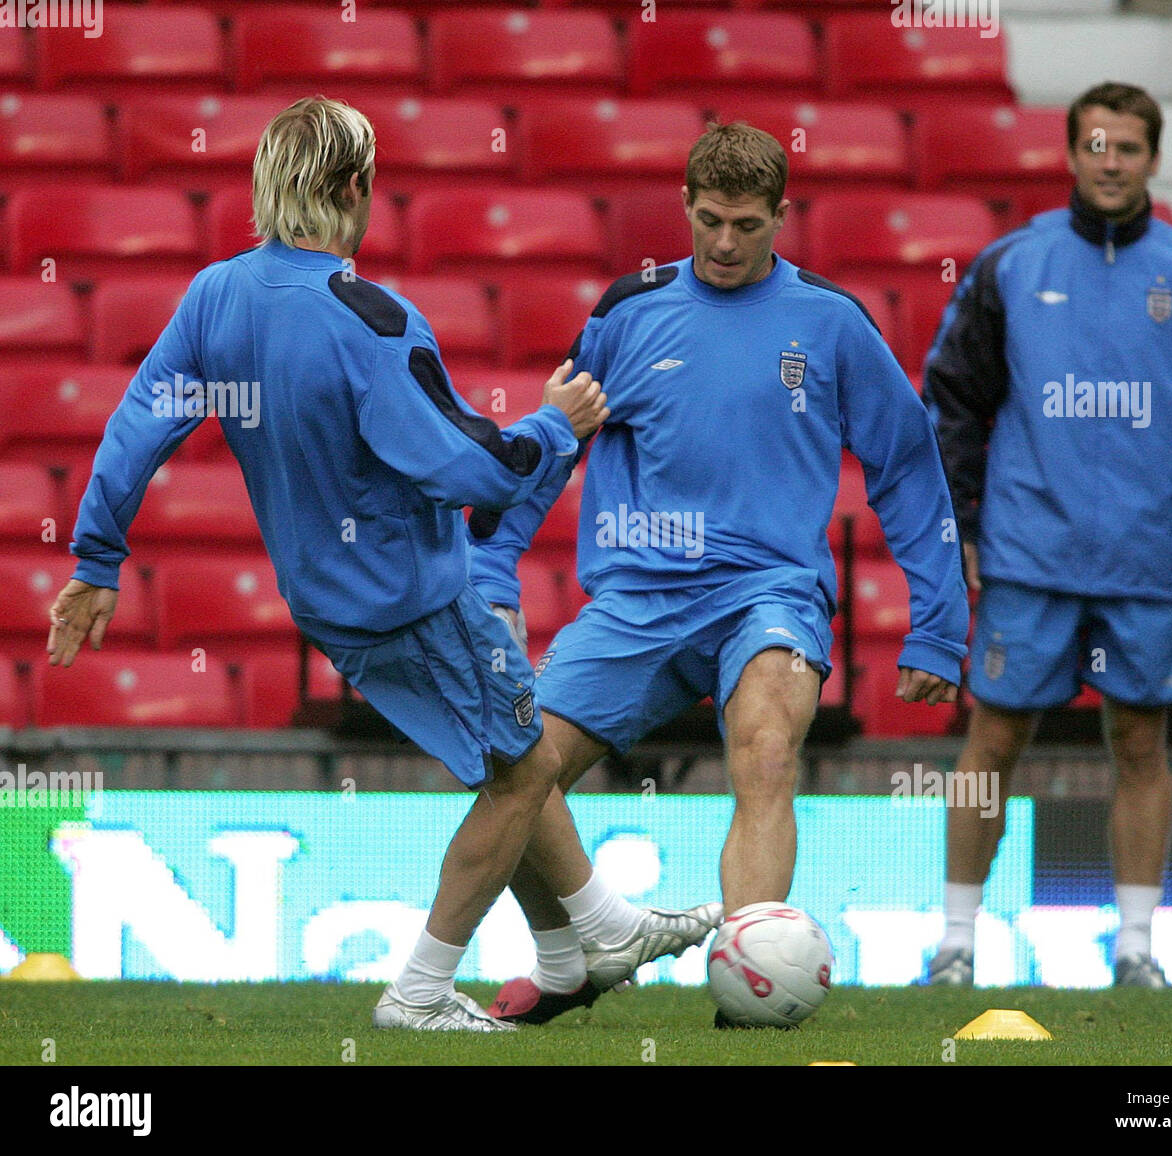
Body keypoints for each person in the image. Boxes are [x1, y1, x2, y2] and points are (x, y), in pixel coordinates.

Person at [44, 96, 719, 1032]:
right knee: (522, 777)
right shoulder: (370, 320)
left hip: (324, 600)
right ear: (357, 187)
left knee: (509, 751)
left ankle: (595, 935)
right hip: (412, 595)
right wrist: (554, 431)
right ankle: (421, 991)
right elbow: (470, 470)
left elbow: (135, 430)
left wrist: (96, 556)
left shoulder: (215, 294)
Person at [468, 122, 970, 1026]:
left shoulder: (831, 324)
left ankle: (747, 996)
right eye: (709, 221)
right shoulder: (627, 313)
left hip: (770, 592)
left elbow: (908, 466)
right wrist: (492, 562)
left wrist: (938, 623)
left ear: (782, 215)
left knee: (769, 748)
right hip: (638, 601)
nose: (726, 243)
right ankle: (573, 956)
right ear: (686, 209)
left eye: (747, 224)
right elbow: (552, 441)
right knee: (513, 768)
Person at [923, 82, 1172, 989]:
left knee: (1142, 746)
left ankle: (1138, 952)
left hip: (1147, 559)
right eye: (1096, 145)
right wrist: (963, 525)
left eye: (1130, 147)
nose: (1111, 162)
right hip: (1029, 554)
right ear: (1071, 154)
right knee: (992, 739)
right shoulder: (1010, 268)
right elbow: (950, 405)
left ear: (1154, 158)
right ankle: (956, 942)